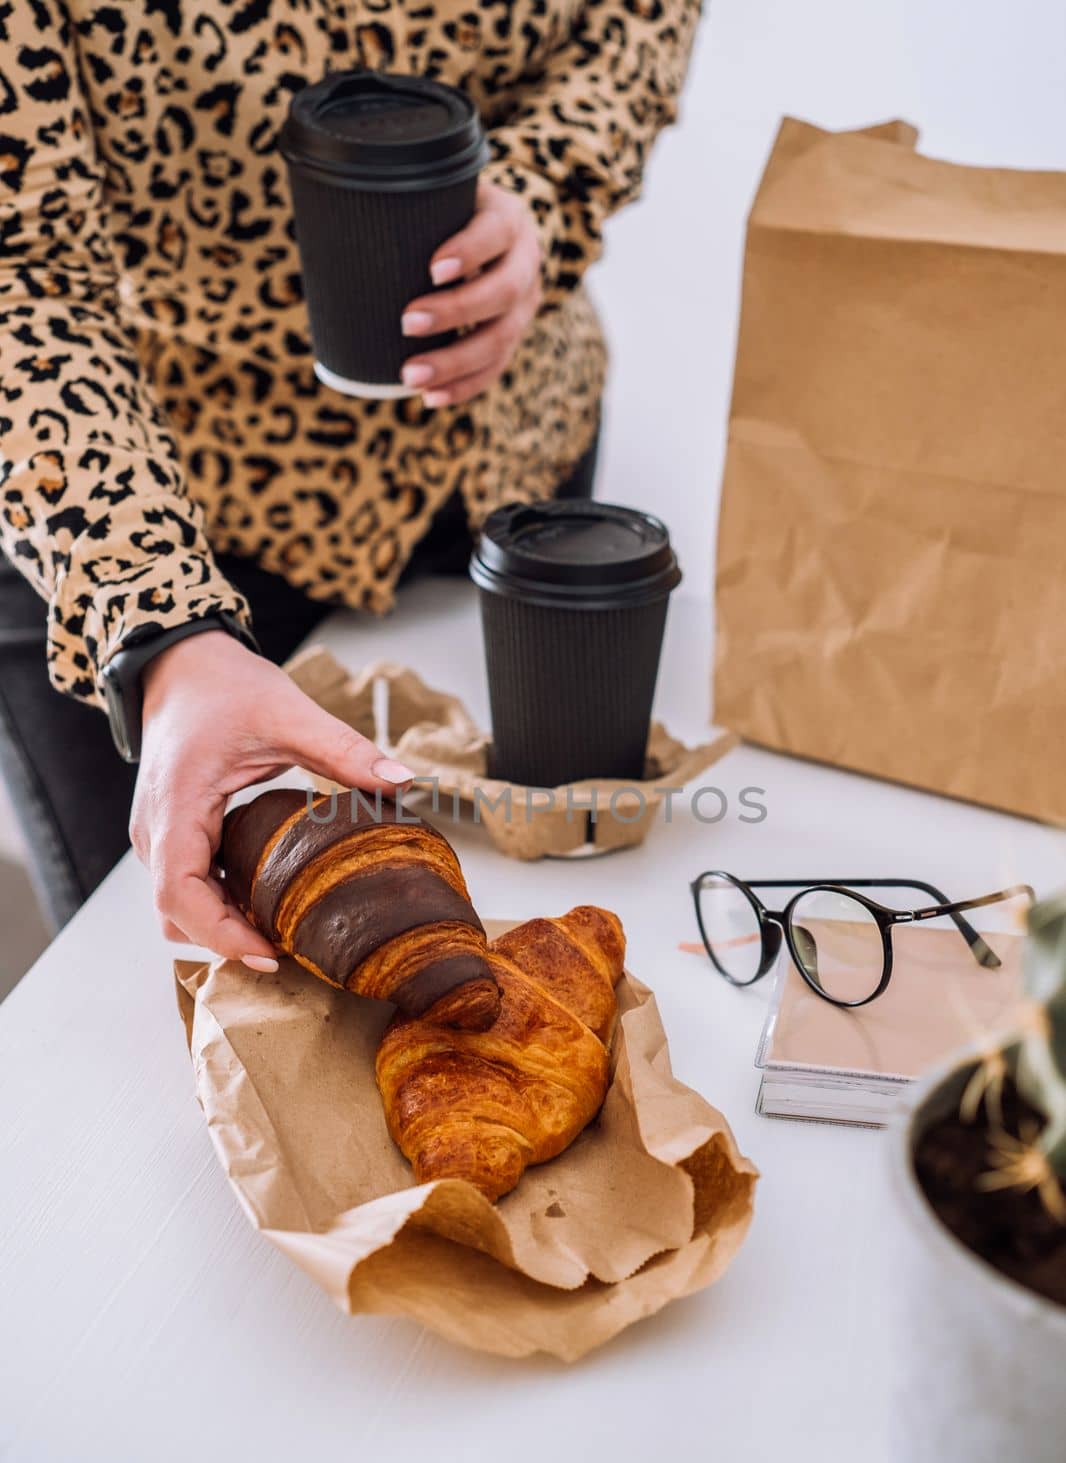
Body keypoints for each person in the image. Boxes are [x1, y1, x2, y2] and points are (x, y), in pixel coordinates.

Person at [0, 0, 701, 968]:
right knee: (166, 990)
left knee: (550, 911)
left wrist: (541, 197)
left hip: (510, 476)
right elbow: (19, 278)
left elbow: (637, 18)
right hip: (148, 517)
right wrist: (156, 621)